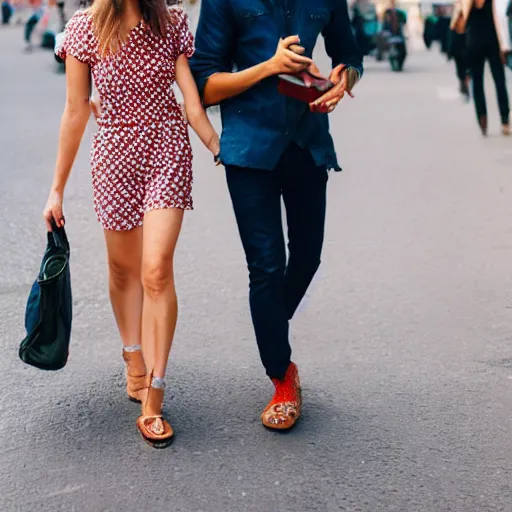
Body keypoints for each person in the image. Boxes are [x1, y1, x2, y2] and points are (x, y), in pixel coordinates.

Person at [43, 0, 219, 448]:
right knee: (123, 270)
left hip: (167, 150)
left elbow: (191, 101)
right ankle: (133, 355)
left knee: (156, 269)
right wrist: (56, 189)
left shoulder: (171, 20)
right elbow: (75, 110)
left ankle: (155, 394)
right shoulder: (84, 28)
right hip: (115, 155)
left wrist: (220, 148)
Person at [190, 0, 363, 431]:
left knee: (307, 256)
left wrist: (344, 79)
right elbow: (205, 86)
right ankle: (282, 376)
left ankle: (268, 323)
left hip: (308, 143)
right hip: (249, 151)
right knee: (266, 268)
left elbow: (350, 54)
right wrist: (269, 67)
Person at [452, 0, 510, 135]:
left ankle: (504, 119)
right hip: (474, 46)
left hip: (494, 44)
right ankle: (482, 118)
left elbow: (501, 20)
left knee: (499, 82)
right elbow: (458, 25)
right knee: (478, 83)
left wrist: (504, 45)